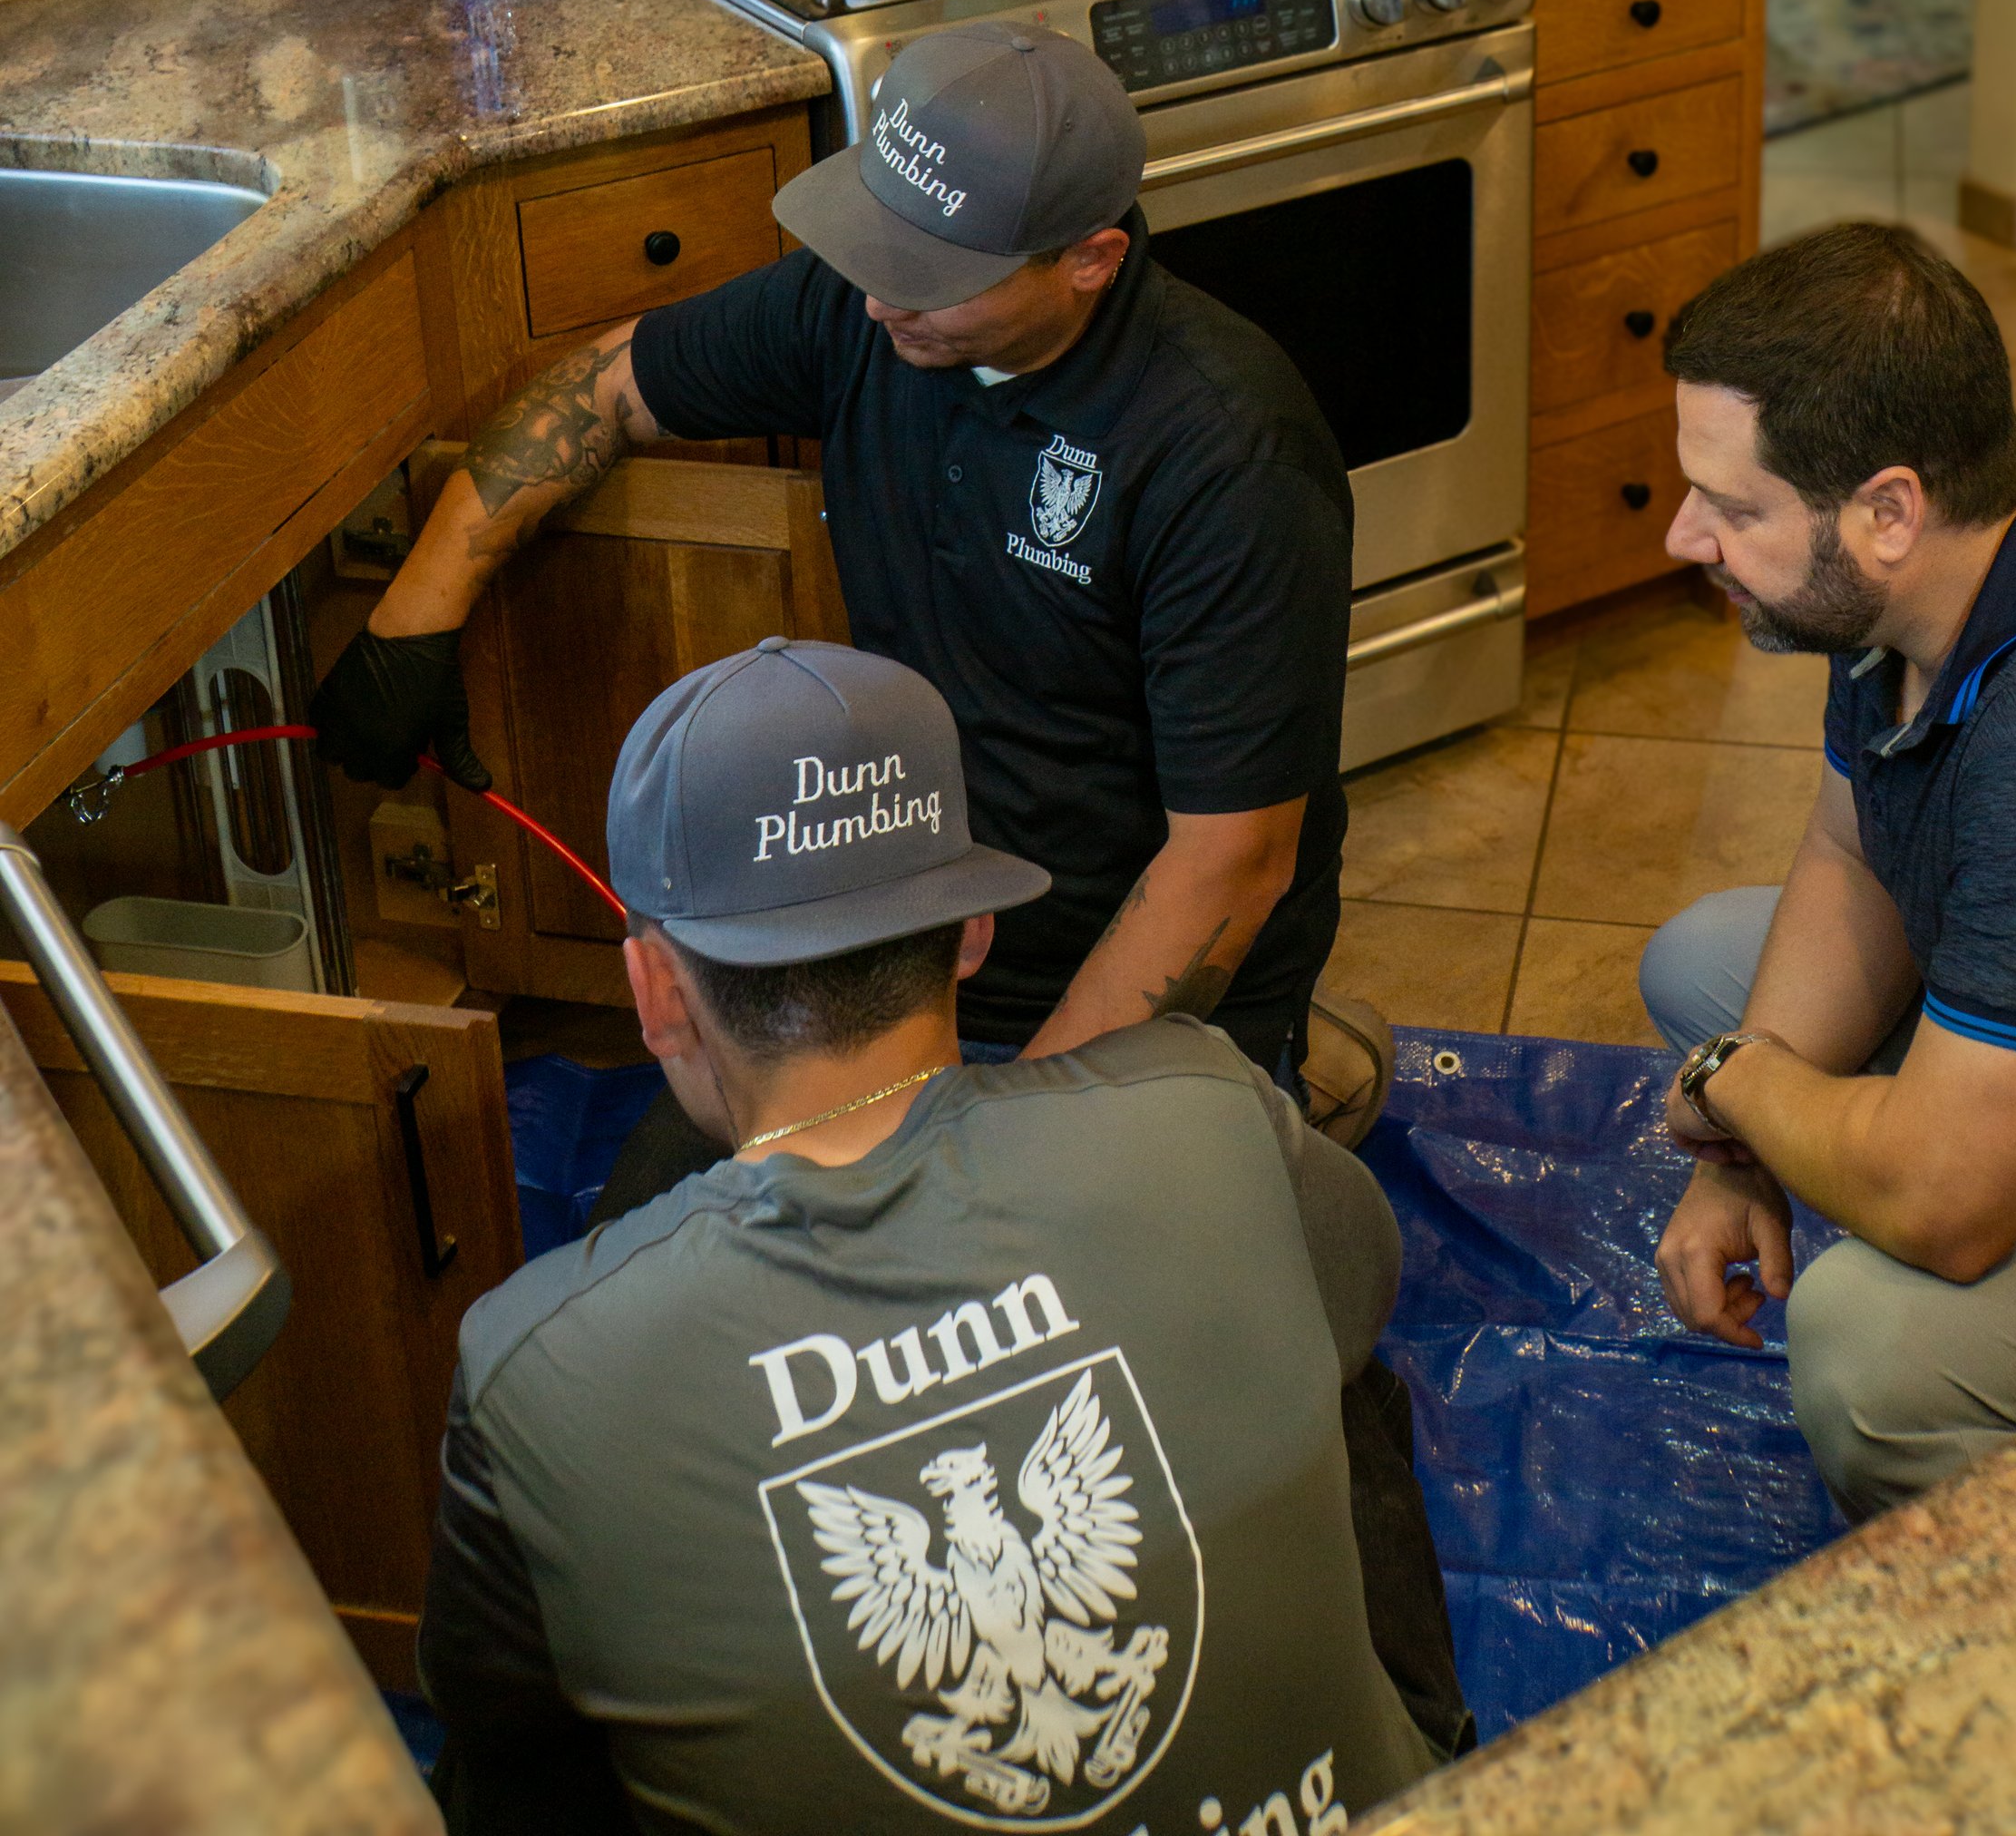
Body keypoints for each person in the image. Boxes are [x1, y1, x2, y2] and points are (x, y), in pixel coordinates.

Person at [418, 637, 1446, 1835]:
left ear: (654, 991)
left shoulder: (538, 1365)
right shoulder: (1207, 1107)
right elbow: (1356, 1288)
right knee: (1332, 1365)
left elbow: (507, 1752)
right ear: (970, 933)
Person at [313, 20, 1384, 1126]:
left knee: (1047, 1277)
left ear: (1089, 260)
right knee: (691, 1240)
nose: (880, 301)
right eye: (876, 250)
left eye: (929, 276)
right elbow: (604, 388)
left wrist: (1008, 1132)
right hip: (898, 938)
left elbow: (1231, 866)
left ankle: (1287, 1080)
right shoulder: (865, 311)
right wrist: (414, 616)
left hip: (1133, 973)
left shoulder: (1225, 450)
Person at [1638, 220, 2016, 1519]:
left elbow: (1944, 1207)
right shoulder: (1922, 573)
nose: (1683, 538)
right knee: (1700, 959)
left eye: (1733, 507)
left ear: (1888, 509)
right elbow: (1850, 842)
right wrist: (1740, 1156)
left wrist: (1735, 1086)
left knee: (1876, 1356)